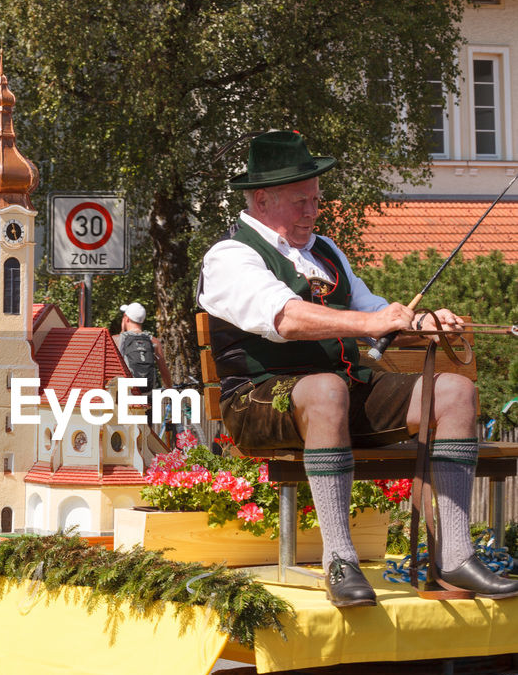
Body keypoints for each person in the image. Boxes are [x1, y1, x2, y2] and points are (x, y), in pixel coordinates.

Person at [199, 129, 518, 607]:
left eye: (316, 199)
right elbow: (285, 317)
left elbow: (375, 314)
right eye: (301, 201)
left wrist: (424, 322)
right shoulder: (231, 256)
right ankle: (340, 560)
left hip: (341, 393)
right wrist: (371, 320)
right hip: (258, 401)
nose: (314, 210)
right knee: (327, 389)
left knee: (454, 392)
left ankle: (454, 555)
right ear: (262, 199)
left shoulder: (325, 252)